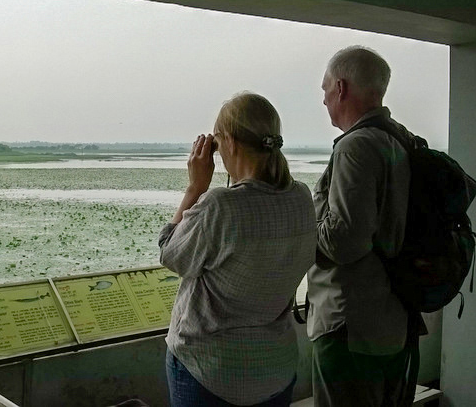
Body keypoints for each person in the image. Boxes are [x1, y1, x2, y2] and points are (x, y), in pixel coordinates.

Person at [158, 92, 316, 406]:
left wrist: (195, 188)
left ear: (229, 142)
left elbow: (170, 253)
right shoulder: (301, 197)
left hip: (208, 368)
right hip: (274, 368)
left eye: (216, 144)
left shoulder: (221, 205)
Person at [307, 45, 422, 407]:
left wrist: (303, 221)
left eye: (325, 89)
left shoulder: (355, 147)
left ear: (341, 88)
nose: (324, 99)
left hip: (351, 327)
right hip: (396, 319)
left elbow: (344, 242)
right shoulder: (401, 140)